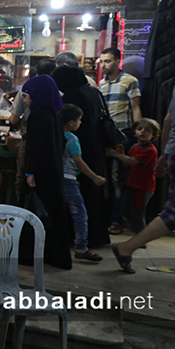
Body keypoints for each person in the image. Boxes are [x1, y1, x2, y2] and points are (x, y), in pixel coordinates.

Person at [113, 86, 175, 273]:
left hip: (174, 153)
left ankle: (127, 247)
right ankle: (127, 248)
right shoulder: (141, 148)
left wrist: (166, 154)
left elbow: (168, 121)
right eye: (139, 129)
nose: (142, 132)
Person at [52, 65, 110, 248]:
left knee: (78, 199)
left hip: (79, 150)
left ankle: (75, 238)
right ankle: (95, 236)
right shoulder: (94, 92)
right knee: (93, 197)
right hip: (96, 148)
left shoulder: (73, 95)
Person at [21, 75, 72, 270]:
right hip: (54, 171)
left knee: (36, 213)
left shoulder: (37, 115)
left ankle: (30, 255)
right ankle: (55, 255)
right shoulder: (55, 114)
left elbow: (35, 146)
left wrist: (29, 172)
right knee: (53, 213)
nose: (26, 101)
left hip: (40, 173)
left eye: (27, 96)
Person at [99, 47, 142, 235]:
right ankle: (107, 216)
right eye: (101, 62)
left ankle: (117, 219)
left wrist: (137, 133)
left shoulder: (130, 81)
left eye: (107, 61)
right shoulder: (101, 84)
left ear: (117, 61)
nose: (104, 65)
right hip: (104, 136)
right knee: (105, 176)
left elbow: (135, 108)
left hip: (122, 135)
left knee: (116, 177)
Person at [59, 103, 106, 262]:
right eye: (79, 120)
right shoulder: (72, 139)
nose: (81, 123)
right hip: (70, 181)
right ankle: (81, 246)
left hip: (56, 180)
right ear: (71, 122)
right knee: (79, 213)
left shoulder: (54, 134)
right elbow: (79, 162)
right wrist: (95, 177)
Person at [10, 58, 57, 203]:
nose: (25, 101)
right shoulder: (56, 89)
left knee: (23, 177)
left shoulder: (26, 88)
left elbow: (14, 120)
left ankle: (22, 209)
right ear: (52, 72)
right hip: (52, 141)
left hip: (29, 140)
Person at [107, 118, 160, 234]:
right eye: (139, 129)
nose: (142, 132)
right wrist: (121, 153)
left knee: (137, 213)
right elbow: (126, 163)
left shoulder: (150, 150)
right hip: (131, 184)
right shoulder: (135, 147)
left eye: (147, 130)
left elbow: (132, 162)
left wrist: (115, 154)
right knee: (126, 209)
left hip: (142, 187)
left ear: (153, 135)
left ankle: (141, 237)